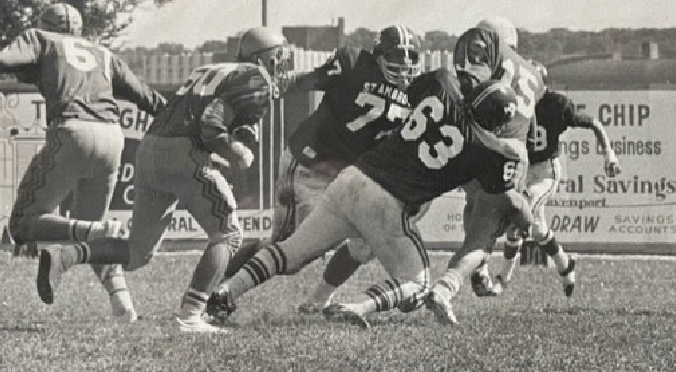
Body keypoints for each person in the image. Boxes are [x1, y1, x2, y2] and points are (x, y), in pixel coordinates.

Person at [206, 72, 534, 329]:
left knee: (292, 251)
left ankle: (226, 292)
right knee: (417, 284)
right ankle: (355, 306)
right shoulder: (490, 151)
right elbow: (495, 194)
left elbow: (421, 95)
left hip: (352, 178)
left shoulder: (441, 84)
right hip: (389, 201)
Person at [36, 26, 287, 332]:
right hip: (183, 153)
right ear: (270, 58)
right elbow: (211, 123)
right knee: (228, 234)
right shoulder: (254, 77)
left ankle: (65, 255)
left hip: (151, 148)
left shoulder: (211, 69)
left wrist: (233, 132)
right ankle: (191, 315)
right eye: (279, 57)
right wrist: (237, 151)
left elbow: (202, 111)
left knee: (138, 252)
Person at [217, 25, 422, 317]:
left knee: (363, 244)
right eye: (395, 55)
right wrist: (269, 86)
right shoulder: (352, 63)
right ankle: (211, 289)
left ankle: (317, 301)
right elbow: (305, 81)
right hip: (310, 165)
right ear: (378, 56)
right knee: (287, 250)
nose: (403, 63)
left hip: (351, 177)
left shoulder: (415, 94)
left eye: (409, 56)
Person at [0, 3, 166, 321]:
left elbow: (5, 59)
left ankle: (100, 229)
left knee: (23, 223)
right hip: (111, 138)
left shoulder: (41, 38)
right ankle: (124, 308)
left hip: (72, 133)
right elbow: (146, 96)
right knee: (90, 237)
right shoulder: (103, 53)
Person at [427, 19, 545, 323]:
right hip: (508, 156)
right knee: (484, 234)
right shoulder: (534, 75)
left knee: (477, 208)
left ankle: (476, 271)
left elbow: (469, 86)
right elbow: (530, 129)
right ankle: (446, 288)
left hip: (478, 146)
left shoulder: (491, 51)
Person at [492, 63, 621, 296]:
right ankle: (565, 265)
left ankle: (503, 277)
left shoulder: (556, 104)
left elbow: (593, 123)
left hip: (545, 170)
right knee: (538, 229)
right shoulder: (515, 104)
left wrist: (609, 155)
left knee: (519, 212)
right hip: (523, 167)